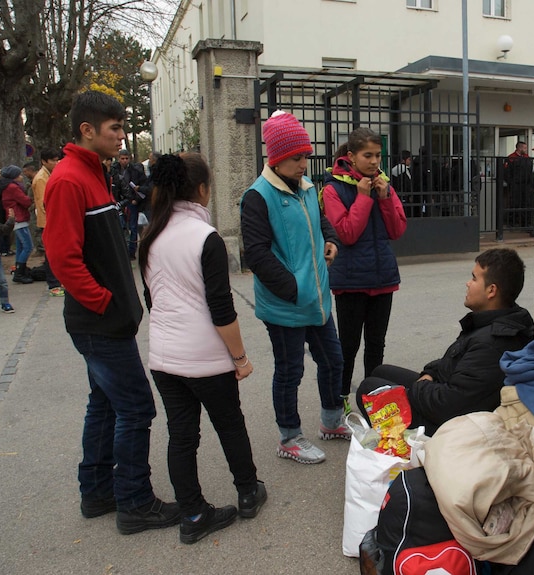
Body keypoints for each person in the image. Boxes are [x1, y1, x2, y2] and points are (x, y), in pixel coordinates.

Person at [44, 91, 179, 535]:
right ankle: (135, 502)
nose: (122, 136)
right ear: (87, 130)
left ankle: (97, 491)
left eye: (122, 127)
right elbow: (64, 259)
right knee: (137, 408)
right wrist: (105, 303)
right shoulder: (68, 179)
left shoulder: (93, 173)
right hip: (98, 322)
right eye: (115, 128)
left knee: (104, 405)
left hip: (108, 320)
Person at [139, 153, 267, 544]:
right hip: (206, 358)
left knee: (181, 436)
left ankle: (192, 513)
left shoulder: (150, 236)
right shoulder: (205, 238)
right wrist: (240, 358)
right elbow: (221, 308)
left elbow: (152, 299)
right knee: (229, 424)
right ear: (201, 190)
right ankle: (247, 492)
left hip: (164, 356)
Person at [240, 110, 347, 465]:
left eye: (305, 156)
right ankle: (289, 437)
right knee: (290, 372)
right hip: (286, 304)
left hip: (317, 300)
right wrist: (293, 288)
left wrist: (329, 239)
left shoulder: (306, 187)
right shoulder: (257, 196)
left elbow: (321, 223)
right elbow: (255, 254)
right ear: (277, 158)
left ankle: (332, 421)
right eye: (296, 157)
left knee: (333, 360)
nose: (304, 164)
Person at [356, 248, 534, 436]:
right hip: (448, 393)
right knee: (380, 372)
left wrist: (420, 387)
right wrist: (430, 374)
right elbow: (453, 361)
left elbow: (450, 405)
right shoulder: (491, 321)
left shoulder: (493, 342)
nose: (468, 283)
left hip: (451, 427)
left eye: (474, 278)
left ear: (491, 290)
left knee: (369, 390)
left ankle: (405, 449)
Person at [323, 127, 407, 413]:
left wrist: (384, 197)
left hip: (382, 278)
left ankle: (377, 404)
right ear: (351, 156)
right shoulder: (334, 188)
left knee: (376, 346)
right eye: (367, 155)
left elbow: (397, 230)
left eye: (378, 155)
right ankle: (341, 401)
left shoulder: (384, 184)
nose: (373, 162)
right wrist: (363, 196)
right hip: (351, 281)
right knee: (347, 346)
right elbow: (346, 233)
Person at [31, 148, 64, 296]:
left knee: (58, 253)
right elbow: (44, 203)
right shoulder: (40, 179)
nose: (56, 163)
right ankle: (53, 284)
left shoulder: (50, 174)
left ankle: (58, 280)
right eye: (53, 160)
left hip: (54, 220)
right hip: (48, 221)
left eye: (57, 160)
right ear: (44, 161)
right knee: (51, 254)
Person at [0, 165, 35, 284]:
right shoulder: (13, 187)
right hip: (19, 219)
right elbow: (25, 201)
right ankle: (20, 272)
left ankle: (19, 268)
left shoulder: (7, 187)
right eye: (18, 175)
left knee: (20, 247)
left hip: (15, 219)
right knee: (28, 246)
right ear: (13, 177)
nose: (21, 177)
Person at [111, 149, 150, 259]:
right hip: (118, 202)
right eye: (122, 159)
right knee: (121, 227)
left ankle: (131, 252)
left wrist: (136, 199)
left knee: (133, 227)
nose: (124, 161)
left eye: (126, 158)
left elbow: (143, 186)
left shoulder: (136, 171)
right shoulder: (114, 170)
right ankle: (122, 251)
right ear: (118, 159)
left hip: (132, 202)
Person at [502, 141, 534, 230]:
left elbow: (530, 171)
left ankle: (525, 224)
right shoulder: (511, 158)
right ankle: (512, 223)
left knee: (526, 204)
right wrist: (512, 182)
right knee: (514, 203)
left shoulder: (527, 158)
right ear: (519, 148)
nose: (526, 150)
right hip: (515, 185)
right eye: (524, 148)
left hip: (526, 186)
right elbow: (506, 173)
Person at [390, 150, 414, 217]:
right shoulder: (405, 169)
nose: (410, 161)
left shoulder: (394, 169)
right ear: (403, 160)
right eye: (409, 159)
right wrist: (410, 194)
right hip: (404, 194)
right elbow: (408, 183)